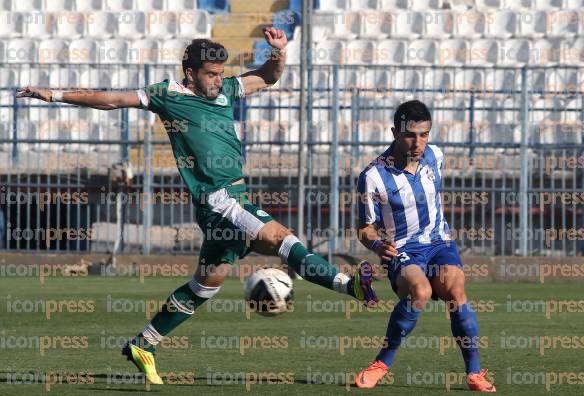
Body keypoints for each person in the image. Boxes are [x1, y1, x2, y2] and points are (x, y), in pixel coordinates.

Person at [17, 27, 377, 385]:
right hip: (221, 200)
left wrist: (279, 52)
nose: (219, 80)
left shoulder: (226, 91)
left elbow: (268, 77)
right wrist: (53, 95)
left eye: (221, 73)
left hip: (232, 200)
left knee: (207, 284)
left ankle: (145, 343)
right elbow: (110, 99)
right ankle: (351, 287)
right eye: (211, 74)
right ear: (190, 73)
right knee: (284, 238)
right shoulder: (167, 94)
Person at [354, 100, 495, 392]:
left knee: (455, 289)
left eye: (424, 134)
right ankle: (382, 362)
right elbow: (364, 229)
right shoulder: (373, 176)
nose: (417, 142)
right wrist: (379, 245)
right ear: (395, 132)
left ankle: (474, 372)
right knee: (421, 291)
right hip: (403, 249)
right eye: (410, 135)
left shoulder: (436, 156)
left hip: (439, 243)